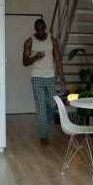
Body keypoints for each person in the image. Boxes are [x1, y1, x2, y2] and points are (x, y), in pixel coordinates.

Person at [23, 19, 65, 147]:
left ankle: (44, 127)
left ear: (45, 27)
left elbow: (57, 60)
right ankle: (43, 136)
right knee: (41, 107)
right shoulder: (29, 42)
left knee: (52, 104)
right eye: (37, 29)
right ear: (35, 28)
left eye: (42, 28)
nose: (40, 31)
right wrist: (35, 57)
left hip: (50, 76)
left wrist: (62, 80)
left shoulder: (52, 41)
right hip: (36, 77)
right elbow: (24, 62)